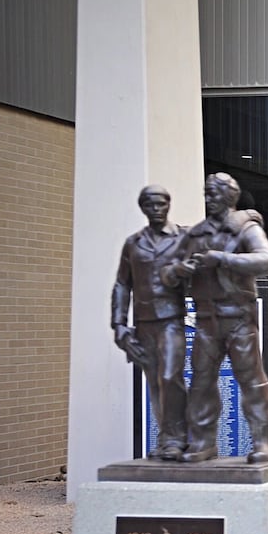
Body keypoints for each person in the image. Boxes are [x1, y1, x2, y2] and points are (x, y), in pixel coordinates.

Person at [168, 172, 268, 464]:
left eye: (214, 193)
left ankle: (263, 443)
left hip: (238, 318)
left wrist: (222, 259)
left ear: (230, 196)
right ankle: (202, 443)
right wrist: (183, 269)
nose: (208, 198)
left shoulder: (244, 228)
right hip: (207, 319)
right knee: (202, 382)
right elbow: (171, 270)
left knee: (251, 380)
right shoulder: (197, 233)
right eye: (205, 193)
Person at [111, 185, 189, 460]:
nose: (156, 210)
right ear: (143, 208)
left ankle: (177, 437)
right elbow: (122, 284)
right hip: (144, 323)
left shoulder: (184, 238)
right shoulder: (134, 244)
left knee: (170, 377)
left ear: (168, 205)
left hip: (171, 320)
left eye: (161, 204)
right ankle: (168, 438)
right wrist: (118, 325)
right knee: (155, 383)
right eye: (150, 205)